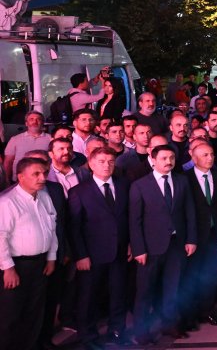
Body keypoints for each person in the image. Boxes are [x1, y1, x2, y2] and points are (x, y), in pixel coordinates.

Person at [129, 143, 197, 342]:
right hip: (150, 247)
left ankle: (170, 325)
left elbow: (189, 212)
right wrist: (138, 249)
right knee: (145, 291)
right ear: (153, 160)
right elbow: (135, 221)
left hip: (176, 244)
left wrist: (191, 239)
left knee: (173, 287)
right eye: (164, 158)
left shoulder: (182, 181)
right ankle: (141, 331)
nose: (168, 162)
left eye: (171, 158)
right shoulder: (140, 185)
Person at [66, 147, 129, 346]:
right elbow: (74, 227)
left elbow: (130, 218)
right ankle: (89, 336)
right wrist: (80, 255)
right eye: (101, 161)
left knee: (118, 295)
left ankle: (117, 331)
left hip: (119, 251)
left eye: (110, 161)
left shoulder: (125, 185)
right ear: (91, 165)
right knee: (89, 298)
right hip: (91, 255)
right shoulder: (79, 191)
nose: (107, 165)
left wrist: (131, 245)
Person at [0, 156, 58, 350]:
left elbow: (52, 229)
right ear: (20, 177)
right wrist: (8, 268)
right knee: (11, 315)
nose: (42, 177)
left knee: (35, 312)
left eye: (44, 173)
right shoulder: (7, 202)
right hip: (17, 266)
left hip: (40, 264)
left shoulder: (44, 196)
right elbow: (0, 238)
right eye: (36, 174)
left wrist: (51, 258)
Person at [184, 140, 217, 328]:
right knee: (192, 275)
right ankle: (190, 314)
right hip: (194, 236)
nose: (210, 158)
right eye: (205, 155)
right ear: (193, 158)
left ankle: (207, 311)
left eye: (211, 154)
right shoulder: (185, 178)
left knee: (211, 274)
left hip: (215, 233)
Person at [4, 111, 50, 183]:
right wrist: (7, 180)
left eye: (38, 119)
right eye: (31, 119)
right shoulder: (15, 139)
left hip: (43, 179)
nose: (35, 121)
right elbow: (8, 162)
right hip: (19, 180)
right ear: (26, 123)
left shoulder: (51, 139)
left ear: (43, 123)